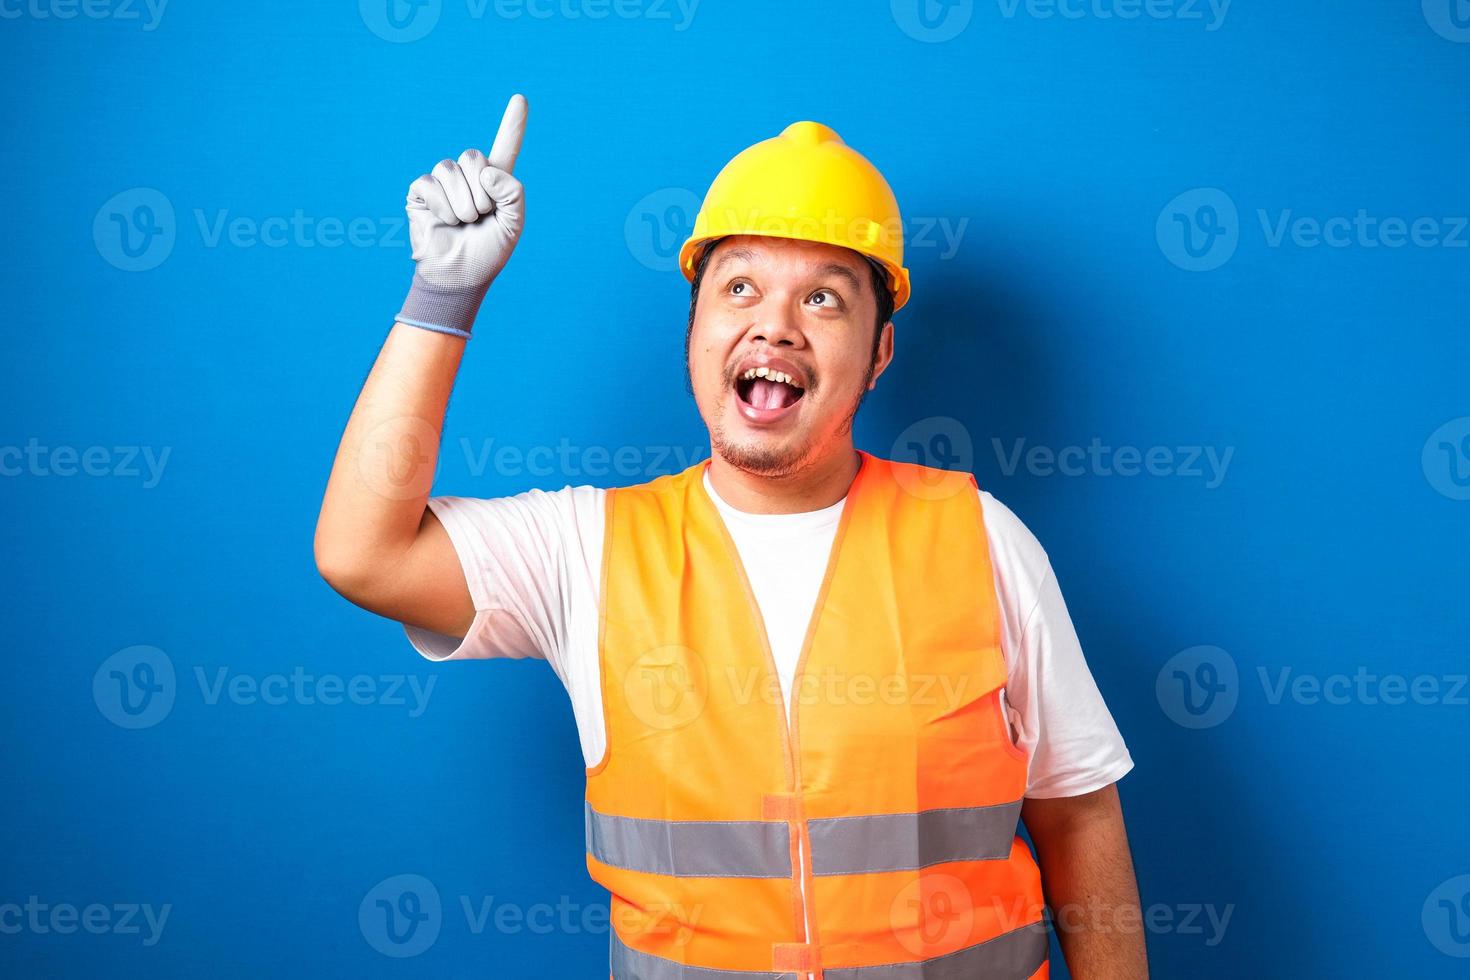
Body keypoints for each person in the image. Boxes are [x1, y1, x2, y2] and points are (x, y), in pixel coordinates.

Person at [316, 93, 1147, 979]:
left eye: (823, 298)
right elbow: (363, 554)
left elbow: (1079, 815)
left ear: (880, 354)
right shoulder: (587, 550)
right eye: (740, 286)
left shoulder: (982, 540)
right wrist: (443, 296)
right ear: (696, 328)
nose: (774, 324)